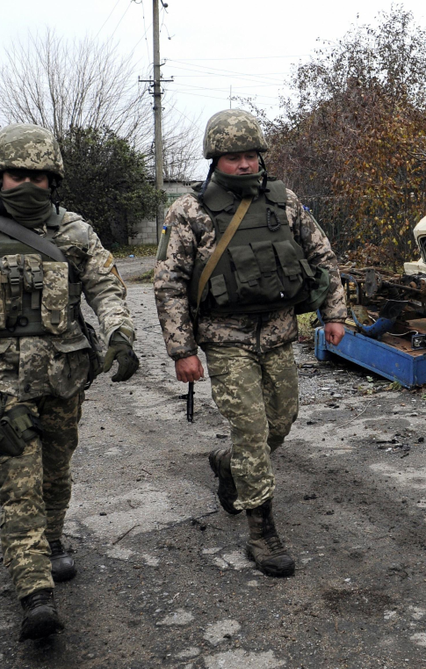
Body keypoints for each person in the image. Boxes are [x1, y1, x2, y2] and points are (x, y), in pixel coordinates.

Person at [0, 123, 139, 640]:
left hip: (64, 379)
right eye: (18, 174)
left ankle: (54, 542)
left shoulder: (78, 235)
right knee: (19, 487)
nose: (28, 185)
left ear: (54, 180)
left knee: (56, 477)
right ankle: (35, 592)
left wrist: (121, 336)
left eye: (40, 176)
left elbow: (107, 290)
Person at [153, 109, 346, 577]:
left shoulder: (285, 202)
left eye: (251, 156)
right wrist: (183, 350)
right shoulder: (189, 212)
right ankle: (262, 532)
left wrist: (335, 313)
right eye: (233, 157)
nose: (244, 165)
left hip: (279, 333)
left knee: (282, 420)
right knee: (252, 430)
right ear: (215, 160)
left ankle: (226, 464)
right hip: (224, 340)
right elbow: (169, 282)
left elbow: (322, 256)